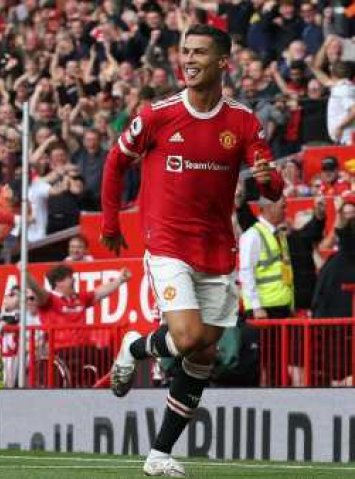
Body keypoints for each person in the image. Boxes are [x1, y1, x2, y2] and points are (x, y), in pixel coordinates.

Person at [100, 25, 283, 476]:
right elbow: (114, 162)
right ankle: (139, 346)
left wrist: (265, 177)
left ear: (224, 62)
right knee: (185, 337)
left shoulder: (242, 121)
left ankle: (158, 452)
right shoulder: (158, 115)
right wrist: (108, 222)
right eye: (185, 52)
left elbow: (274, 187)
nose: (189, 60)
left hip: (218, 249)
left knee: (204, 353)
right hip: (167, 242)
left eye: (200, 52)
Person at [239, 197, 294, 320]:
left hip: (282, 308)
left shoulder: (280, 235)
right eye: (282, 207)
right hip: (264, 311)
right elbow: (246, 272)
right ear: (268, 208)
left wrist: (290, 306)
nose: (285, 211)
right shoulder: (252, 235)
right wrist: (256, 307)